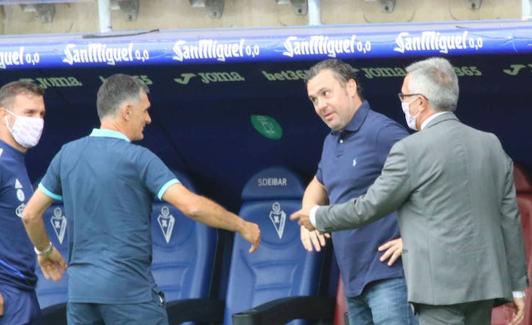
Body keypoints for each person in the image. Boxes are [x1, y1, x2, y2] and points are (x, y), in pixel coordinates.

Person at [292, 57, 528, 325]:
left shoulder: (404, 144)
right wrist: (518, 286)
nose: (320, 104)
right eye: (314, 99)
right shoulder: (491, 144)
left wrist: (317, 218)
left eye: (404, 97)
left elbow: (374, 204)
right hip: (477, 286)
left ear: (420, 102)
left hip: (421, 285)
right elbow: (508, 217)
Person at [21, 74, 261, 325]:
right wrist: (242, 225)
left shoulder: (66, 155)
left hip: (82, 297)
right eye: (145, 111)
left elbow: (30, 215)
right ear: (126, 111)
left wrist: (45, 250)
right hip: (130, 295)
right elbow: (191, 206)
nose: (148, 119)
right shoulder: (139, 159)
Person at [301, 59, 416, 324]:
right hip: (353, 284)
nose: (320, 105)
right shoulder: (331, 141)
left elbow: (434, 180)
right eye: (314, 99)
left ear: (351, 87)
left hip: (392, 280)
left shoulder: (382, 132)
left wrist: (413, 240)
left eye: (326, 93)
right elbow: (317, 185)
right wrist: (308, 218)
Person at [0, 81, 46, 325]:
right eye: (29, 113)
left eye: (41, 114)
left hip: (24, 288)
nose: (37, 121)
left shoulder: (14, 160)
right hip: (7, 291)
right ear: (2, 114)